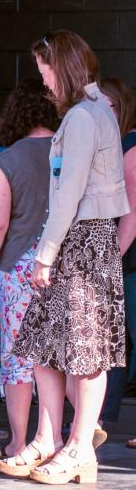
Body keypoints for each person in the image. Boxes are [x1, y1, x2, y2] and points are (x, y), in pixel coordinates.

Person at [3, 30, 128, 485]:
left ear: (66, 68)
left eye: (47, 71)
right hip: (83, 239)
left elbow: (70, 192)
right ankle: (52, 438)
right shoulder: (96, 113)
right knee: (43, 341)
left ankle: (77, 447)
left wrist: (44, 256)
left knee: (82, 347)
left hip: (81, 240)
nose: (46, 82)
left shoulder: (81, 116)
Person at [0, 79, 58, 460]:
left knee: (18, 357)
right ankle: (69, 434)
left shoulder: (8, 160)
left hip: (19, 266)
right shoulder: (71, 151)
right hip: (63, 261)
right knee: (61, 354)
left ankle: (20, 442)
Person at [96, 77, 136, 449]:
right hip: (121, 262)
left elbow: (133, 213)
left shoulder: (131, 144)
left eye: (106, 104)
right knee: (114, 343)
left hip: (129, 263)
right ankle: (100, 419)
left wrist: (113, 259)